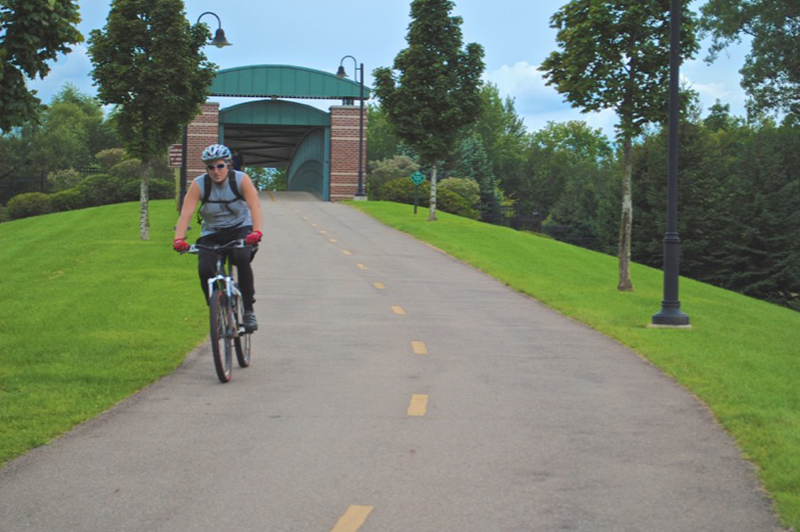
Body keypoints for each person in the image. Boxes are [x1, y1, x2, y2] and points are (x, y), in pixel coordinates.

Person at [173, 144, 263, 331]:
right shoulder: (199, 184)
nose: (216, 171)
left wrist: (256, 232)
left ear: (228, 165)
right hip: (212, 232)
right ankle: (215, 308)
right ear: (206, 168)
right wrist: (179, 239)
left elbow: (255, 206)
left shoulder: (241, 180)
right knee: (205, 269)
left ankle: (248, 310)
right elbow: (186, 213)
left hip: (240, 228)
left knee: (241, 258)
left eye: (220, 166)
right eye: (211, 167)